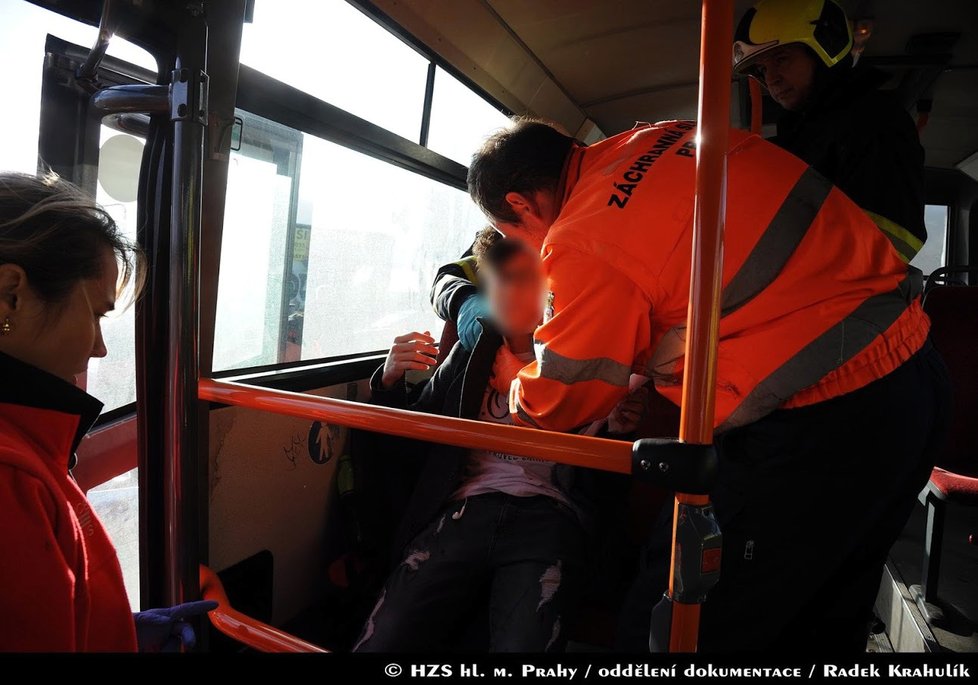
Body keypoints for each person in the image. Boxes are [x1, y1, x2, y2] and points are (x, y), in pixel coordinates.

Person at [465, 119, 949, 651]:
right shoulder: (665, 135)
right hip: (912, 371)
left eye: (516, 236)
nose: (528, 251)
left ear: (524, 205)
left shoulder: (582, 236)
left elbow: (562, 397)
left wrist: (510, 391)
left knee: (673, 628)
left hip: (823, 418)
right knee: (826, 614)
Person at [354, 228, 644, 652]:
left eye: (527, 278)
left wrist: (621, 432)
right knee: (384, 637)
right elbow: (416, 435)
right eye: (501, 280)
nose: (513, 293)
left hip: (549, 515)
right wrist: (389, 380)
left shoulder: (587, 365)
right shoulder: (473, 354)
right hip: (464, 511)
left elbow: (603, 493)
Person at [0, 172, 214, 652]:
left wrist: (113, 626)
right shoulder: (10, 477)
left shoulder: (26, 448)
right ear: (10, 294)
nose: (98, 348)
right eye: (96, 314)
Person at [733, 0, 926, 261]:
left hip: (849, 298)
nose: (771, 78)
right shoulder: (801, 134)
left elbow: (892, 241)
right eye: (763, 69)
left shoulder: (875, 121)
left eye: (781, 59)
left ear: (824, 49)